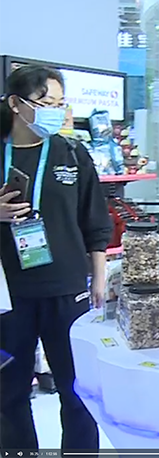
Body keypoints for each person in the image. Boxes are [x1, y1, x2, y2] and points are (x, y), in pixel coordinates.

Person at [0, 65, 112, 452]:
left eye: (60, 104)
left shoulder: (73, 153)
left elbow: (95, 219)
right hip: (8, 295)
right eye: (45, 103)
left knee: (77, 390)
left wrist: (98, 278)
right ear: (16, 104)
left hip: (67, 288)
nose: (55, 112)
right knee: (8, 392)